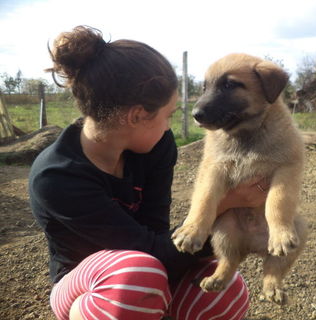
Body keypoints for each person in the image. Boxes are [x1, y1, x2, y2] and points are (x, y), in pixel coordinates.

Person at [28, 26, 269, 320]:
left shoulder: (156, 147)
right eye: (167, 116)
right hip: (88, 286)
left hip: (147, 269)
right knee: (137, 277)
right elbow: (152, 253)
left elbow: (156, 231)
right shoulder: (57, 178)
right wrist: (223, 203)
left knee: (225, 287)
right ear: (137, 116)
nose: (168, 127)